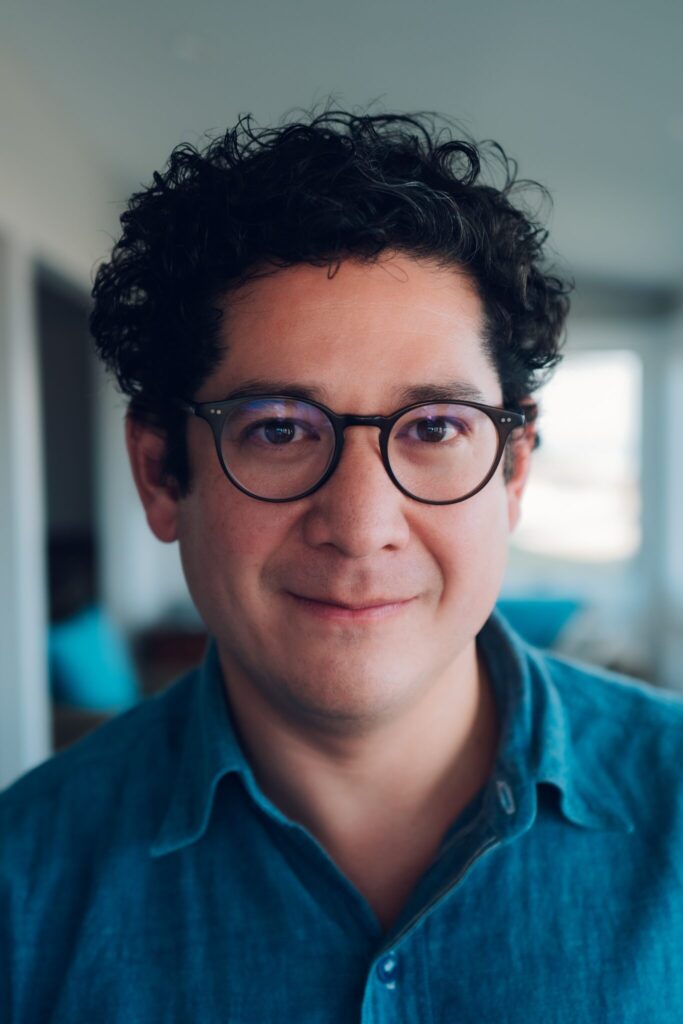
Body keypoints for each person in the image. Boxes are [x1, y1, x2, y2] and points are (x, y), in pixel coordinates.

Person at [2, 110, 683, 1023]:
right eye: (278, 429)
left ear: (512, 473)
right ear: (162, 473)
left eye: (435, 427)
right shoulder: (23, 886)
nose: (361, 528)